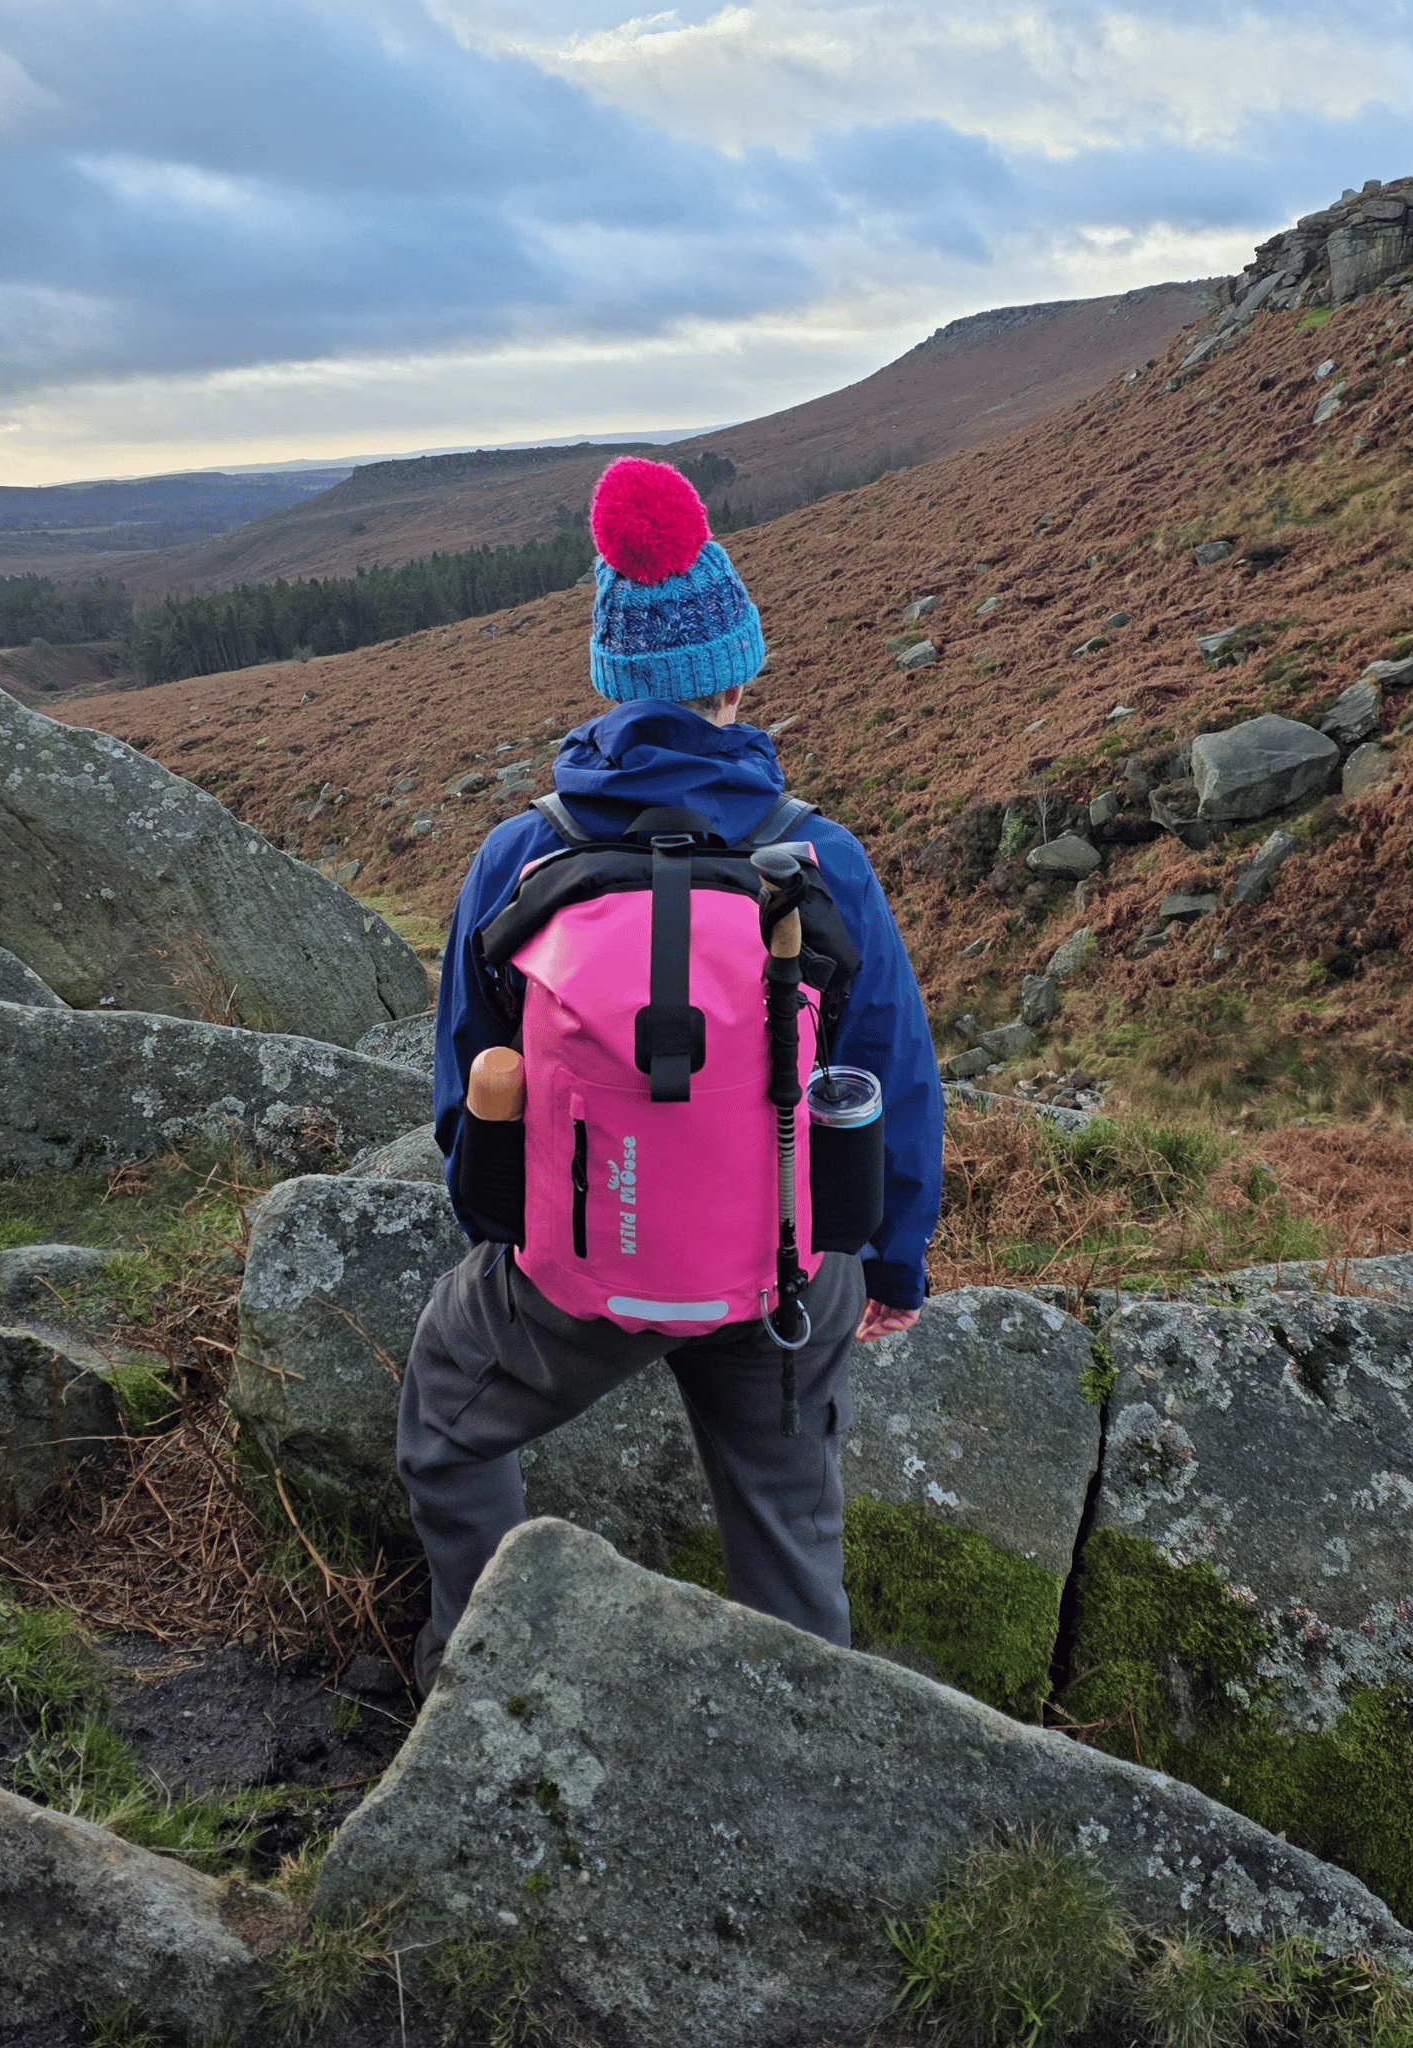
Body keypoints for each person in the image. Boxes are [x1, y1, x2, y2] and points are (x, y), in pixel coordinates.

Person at [396, 456, 943, 1694]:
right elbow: (890, 1077)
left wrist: (509, 1234)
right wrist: (891, 1265)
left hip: (577, 1272)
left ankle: (480, 1689)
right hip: (781, 1275)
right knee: (792, 1537)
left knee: (444, 1420)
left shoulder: (519, 853)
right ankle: (802, 1740)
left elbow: (464, 1082)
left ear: (610, 677)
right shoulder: (822, 858)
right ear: (735, 677)